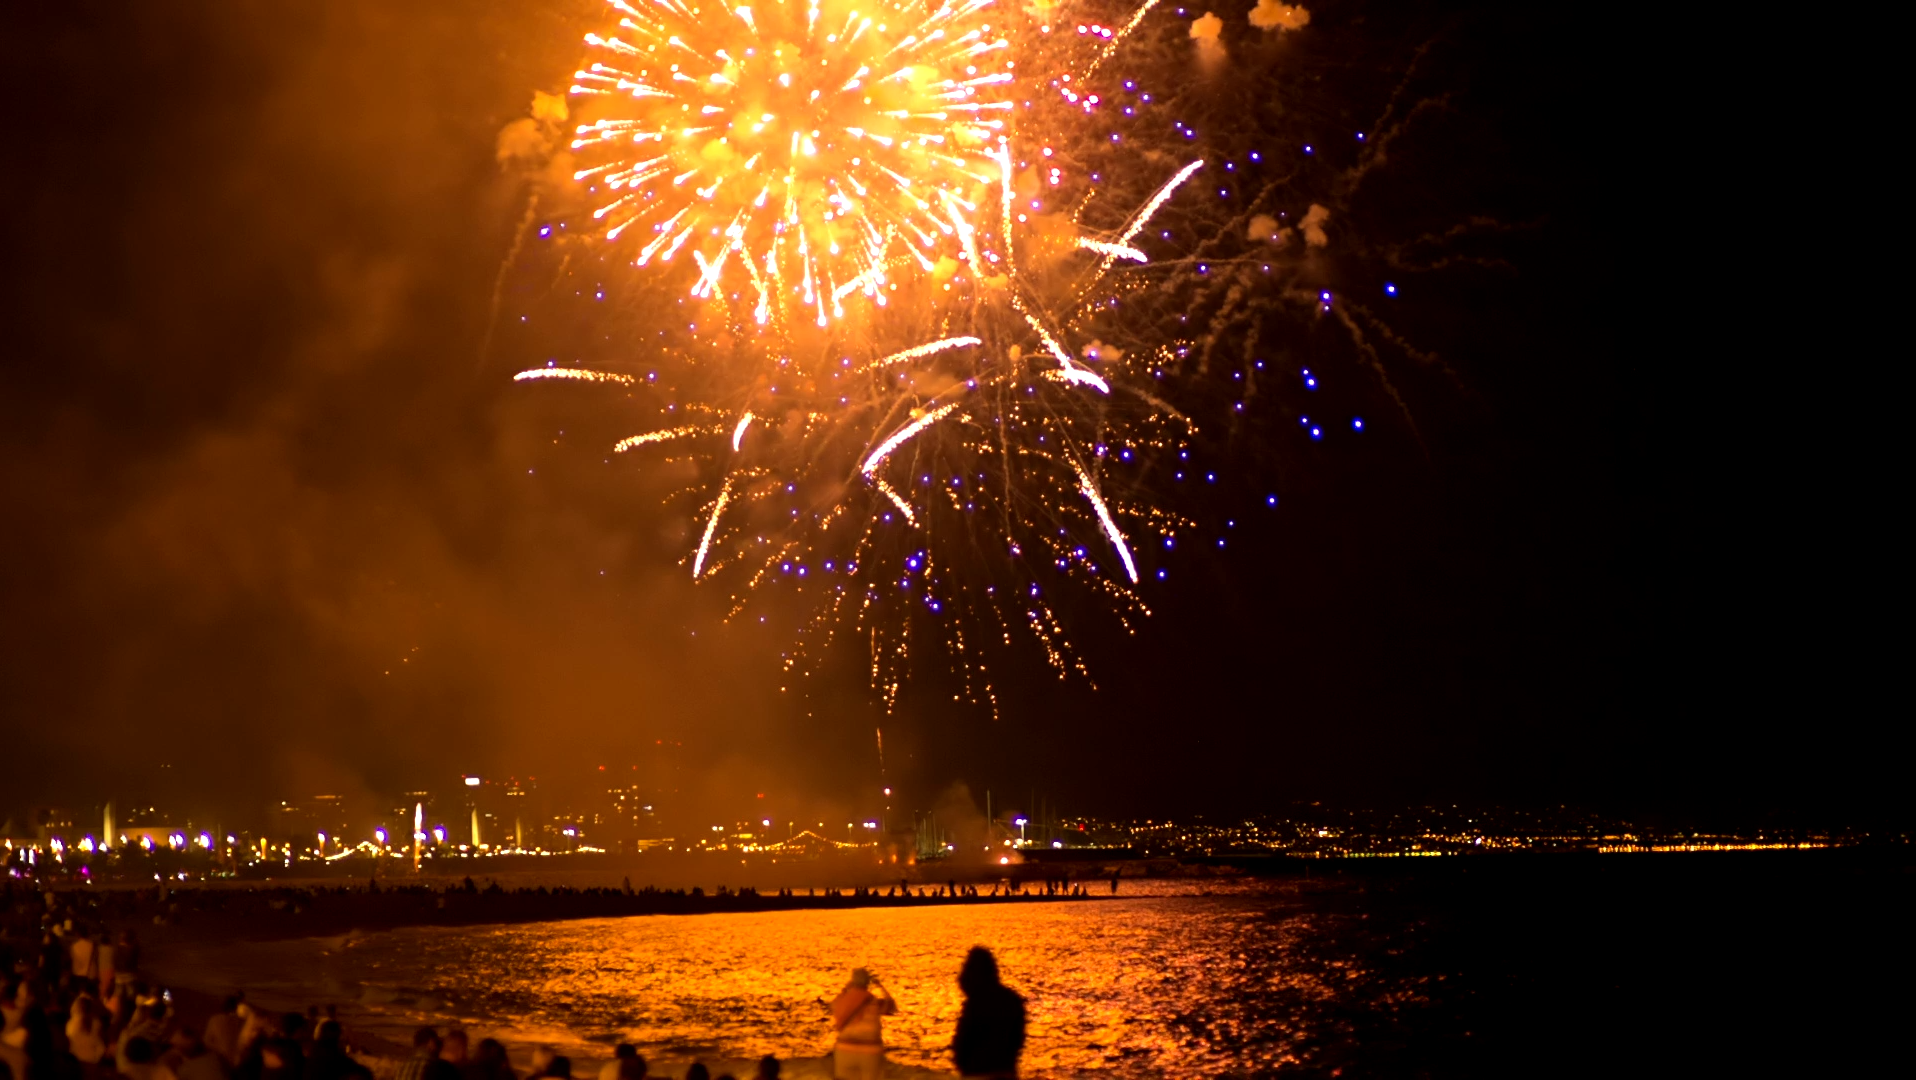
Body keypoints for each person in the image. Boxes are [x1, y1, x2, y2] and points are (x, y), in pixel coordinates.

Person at [952, 947, 1025, 1079]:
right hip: (1005, 1071)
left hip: (977, 1072)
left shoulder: (976, 1003)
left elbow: (964, 1040)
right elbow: (1018, 1040)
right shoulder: (1012, 1000)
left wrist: (964, 1065)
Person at [827, 968, 896, 1080]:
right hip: (870, 1051)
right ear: (868, 983)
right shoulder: (873, 1002)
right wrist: (880, 985)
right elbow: (892, 1006)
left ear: (852, 982)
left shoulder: (842, 1000)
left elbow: (833, 1006)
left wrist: (846, 988)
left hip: (844, 1049)